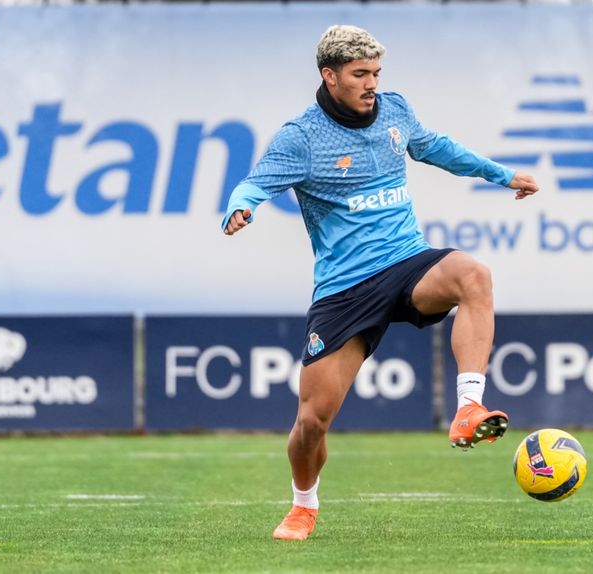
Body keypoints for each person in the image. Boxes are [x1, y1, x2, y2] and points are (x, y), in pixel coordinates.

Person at [221, 24, 540, 541]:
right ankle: (304, 504)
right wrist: (241, 207)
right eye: (360, 74)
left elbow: (435, 147)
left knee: (473, 275)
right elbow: (254, 182)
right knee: (311, 423)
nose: (372, 84)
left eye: (376, 73)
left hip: (406, 261)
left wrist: (499, 174)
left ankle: (468, 407)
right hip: (346, 289)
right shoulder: (301, 137)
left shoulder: (394, 110)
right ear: (330, 76)